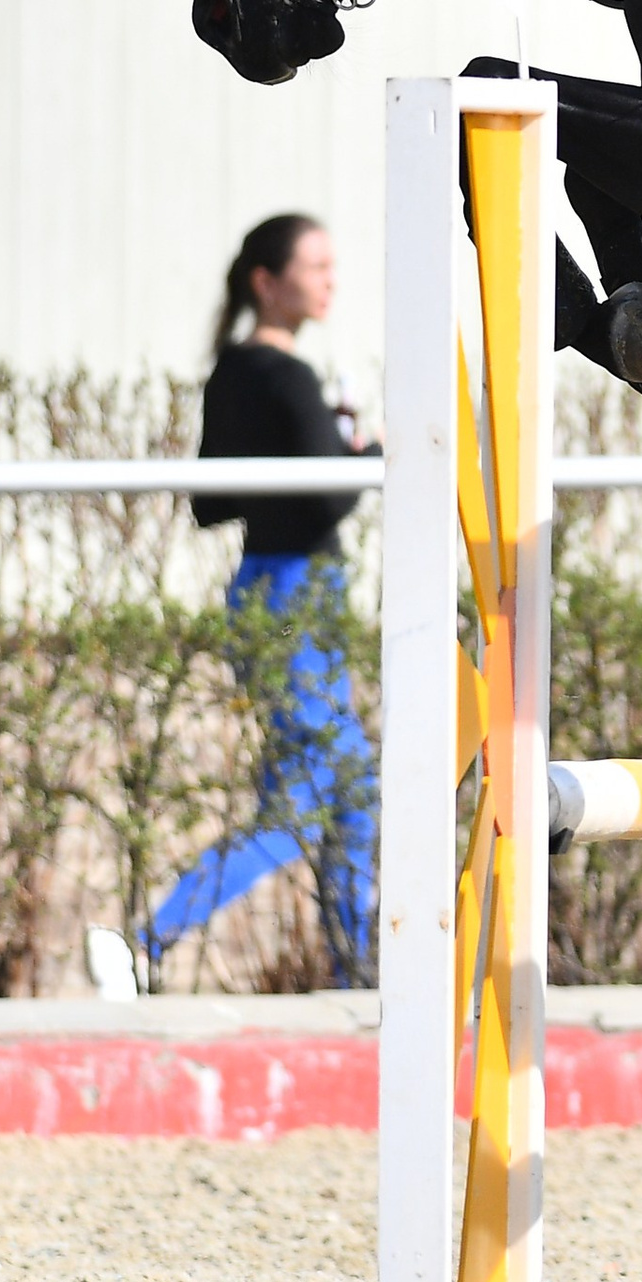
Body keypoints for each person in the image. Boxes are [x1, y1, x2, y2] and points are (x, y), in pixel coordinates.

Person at [148, 214, 377, 985]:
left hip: (263, 592)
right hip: (300, 596)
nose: (328, 280)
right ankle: (147, 940)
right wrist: (371, 455)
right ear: (268, 282)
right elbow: (331, 500)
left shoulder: (233, 372)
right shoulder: (286, 376)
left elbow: (210, 504)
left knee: (351, 793)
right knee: (313, 799)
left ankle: (359, 970)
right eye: (316, 265)